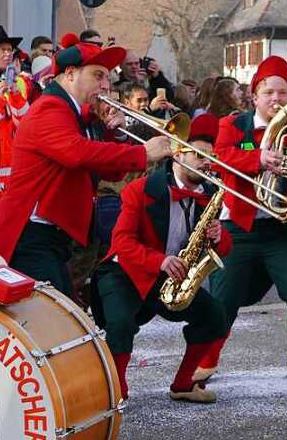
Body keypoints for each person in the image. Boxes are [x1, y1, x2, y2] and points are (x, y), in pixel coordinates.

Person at [0, 42, 172, 296]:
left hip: (51, 238)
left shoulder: (78, 115)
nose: (106, 85)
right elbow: (77, 154)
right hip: (29, 236)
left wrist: (116, 136)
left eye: (107, 77)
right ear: (70, 73)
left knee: (62, 318)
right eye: (98, 75)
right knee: (53, 319)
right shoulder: (51, 108)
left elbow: (109, 172)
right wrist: (143, 153)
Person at [198, 56, 287, 383]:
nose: (276, 98)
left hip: (278, 228)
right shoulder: (233, 125)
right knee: (223, 299)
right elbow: (220, 160)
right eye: (269, 92)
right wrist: (257, 158)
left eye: (283, 93)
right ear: (254, 96)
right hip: (237, 227)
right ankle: (206, 359)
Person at [95, 115, 231, 403]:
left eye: (211, 156)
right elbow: (122, 241)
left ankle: (183, 384)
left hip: (172, 275)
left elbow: (222, 247)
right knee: (119, 325)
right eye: (199, 155)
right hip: (127, 271)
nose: (207, 162)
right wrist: (159, 260)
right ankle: (116, 392)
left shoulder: (210, 193)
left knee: (214, 315)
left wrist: (219, 236)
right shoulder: (141, 188)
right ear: (178, 153)